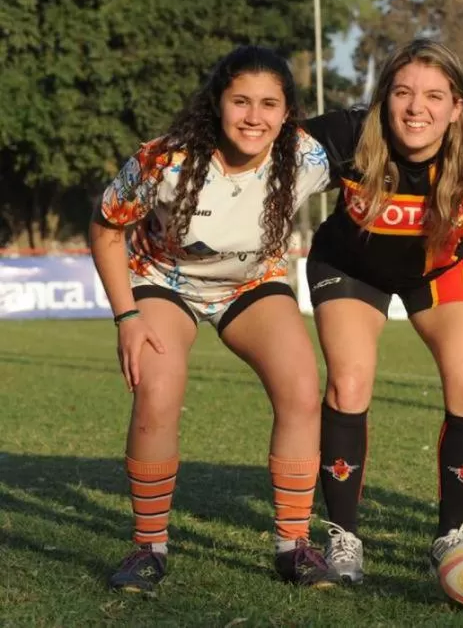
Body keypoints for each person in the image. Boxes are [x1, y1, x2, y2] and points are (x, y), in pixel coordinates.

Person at [90, 46, 333, 592]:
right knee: (157, 388)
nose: (254, 116)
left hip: (251, 284)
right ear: (217, 104)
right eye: (240, 101)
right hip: (164, 281)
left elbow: (379, 148)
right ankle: (148, 548)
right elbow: (106, 227)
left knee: (299, 386)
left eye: (269, 104)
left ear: (287, 112)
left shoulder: (306, 156)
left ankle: (293, 546)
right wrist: (127, 316)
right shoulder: (165, 161)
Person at [300, 39, 463, 583]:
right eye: (402, 92)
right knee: (349, 382)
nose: (416, 108)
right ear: (384, 99)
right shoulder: (347, 134)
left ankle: (450, 536)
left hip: (441, 268)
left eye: (433, 95)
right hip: (351, 268)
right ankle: (344, 538)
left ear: (458, 107)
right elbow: (258, 148)